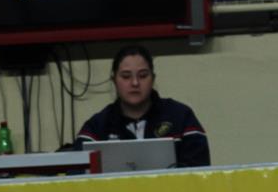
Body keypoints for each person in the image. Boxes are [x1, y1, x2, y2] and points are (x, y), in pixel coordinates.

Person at [76, 44, 210, 168]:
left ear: (153, 79)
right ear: (114, 81)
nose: (135, 83)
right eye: (126, 76)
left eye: (143, 75)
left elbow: (200, 173)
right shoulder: (96, 127)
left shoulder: (181, 117)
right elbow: (77, 175)